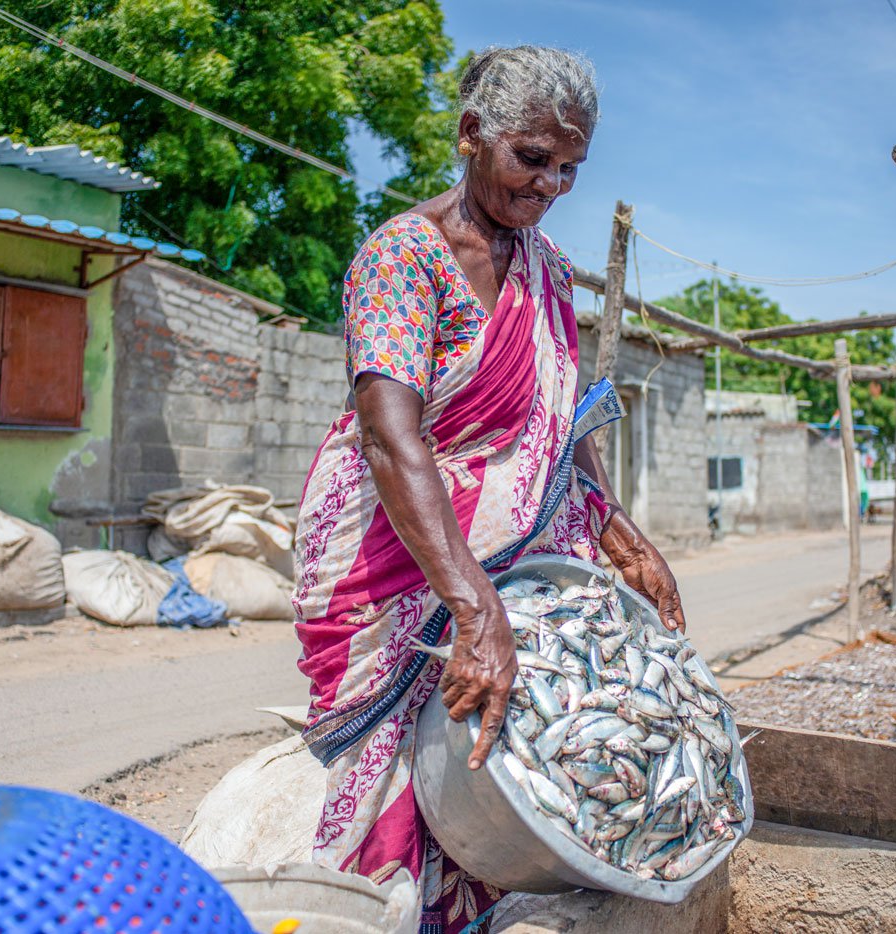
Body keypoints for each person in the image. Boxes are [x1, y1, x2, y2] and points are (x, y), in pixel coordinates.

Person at [289, 47, 684, 934]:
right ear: (472, 135)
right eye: (533, 159)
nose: (551, 186)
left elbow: (557, 420)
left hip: (511, 558)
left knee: (517, 756)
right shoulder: (403, 257)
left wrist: (617, 529)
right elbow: (394, 442)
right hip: (392, 557)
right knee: (398, 770)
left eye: (570, 169)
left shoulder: (546, 268)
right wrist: (472, 607)